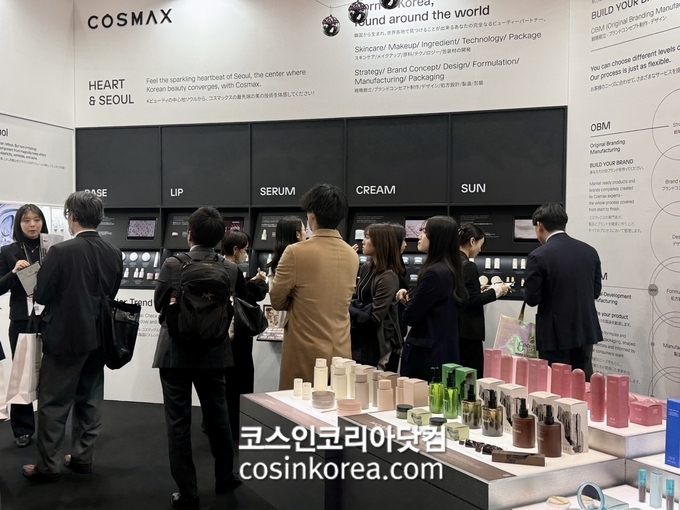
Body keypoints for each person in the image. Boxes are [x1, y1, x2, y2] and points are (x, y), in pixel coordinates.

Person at [22, 192, 123, 482]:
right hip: (100, 336)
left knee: (54, 403)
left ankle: (47, 466)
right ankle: (82, 458)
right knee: (90, 400)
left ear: (72, 217)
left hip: (64, 338)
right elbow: (111, 292)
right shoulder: (113, 252)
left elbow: (42, 294)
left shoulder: (61, 252)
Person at [153, 207, 242, 509]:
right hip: (214, 352)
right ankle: (225, 477)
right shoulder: (230, 269)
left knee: (178, 422)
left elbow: (159, 305)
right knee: (218, 416)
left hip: (174, 353)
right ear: (220, 238)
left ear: (189, 235)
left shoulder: (172, 264)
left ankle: (188, 492)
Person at [270, 183, 358, 390]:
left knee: (298, 405)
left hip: (304, 351)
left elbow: (277, 301)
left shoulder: (295, 252)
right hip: (341, 350)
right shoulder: (351, 255)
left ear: (311, 215)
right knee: (336, 404)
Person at [523, 203, 603, 379]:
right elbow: (595, 292)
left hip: (554, 335)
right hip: (585, 330)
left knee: (557, 385)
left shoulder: (538, 256)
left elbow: (532, 299)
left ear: (539, 225)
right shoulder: (590, 251)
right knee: (583, 383)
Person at [0, 204, 48, 448]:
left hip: (50, 317)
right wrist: (13, 273)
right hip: (21, 319)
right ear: (18, 224)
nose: (32, 224)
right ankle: (22, 430)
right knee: (22, 374)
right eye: (26, 220)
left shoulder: (53, 248)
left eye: (36, 219)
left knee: (52, 373)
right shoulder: (7, 251)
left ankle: (51, 427)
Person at [397, 216, 467, 381]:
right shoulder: (450, 269)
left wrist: (406, 304)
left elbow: (410, 316)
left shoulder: (434, 272)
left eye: (425, 232)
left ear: (437, 238)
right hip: (442, 352)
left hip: (426, 356)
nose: (420, 236)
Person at [221, 229, 267, 442]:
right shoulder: (234, 270)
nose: (246, 254)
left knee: (223, 382)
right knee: (240, 379)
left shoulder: (219, 265)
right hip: (237, 335)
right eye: (245, 250)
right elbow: (247, 297)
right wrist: (259, 283)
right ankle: (236, 425)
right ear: (235, 249)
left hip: (220, 333)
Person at [458, 223, 509, 376]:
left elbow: (462, 293)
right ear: (472, 241)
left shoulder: (451, 261)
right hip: (468, 331)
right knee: (471, 375)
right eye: (480, 244)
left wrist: (477, 289)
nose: (480, 249)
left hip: (454, 330)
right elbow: (473, 301)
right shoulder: (468, 266)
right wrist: (497, 291)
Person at [350, 223, 403, 369]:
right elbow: (357, 297)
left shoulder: (388, 276)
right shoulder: (367, 268)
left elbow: (375, 317)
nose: (363, 241)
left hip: (377, 342)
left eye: (367, 237)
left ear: (380, 242)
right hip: (361, 337)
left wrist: (349, 308)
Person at [267, 216, 307, 281]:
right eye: (304, 230)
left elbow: (272, 286)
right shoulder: (304, 259)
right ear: (297, 234)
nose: (306, 233)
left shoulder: (275, 261)